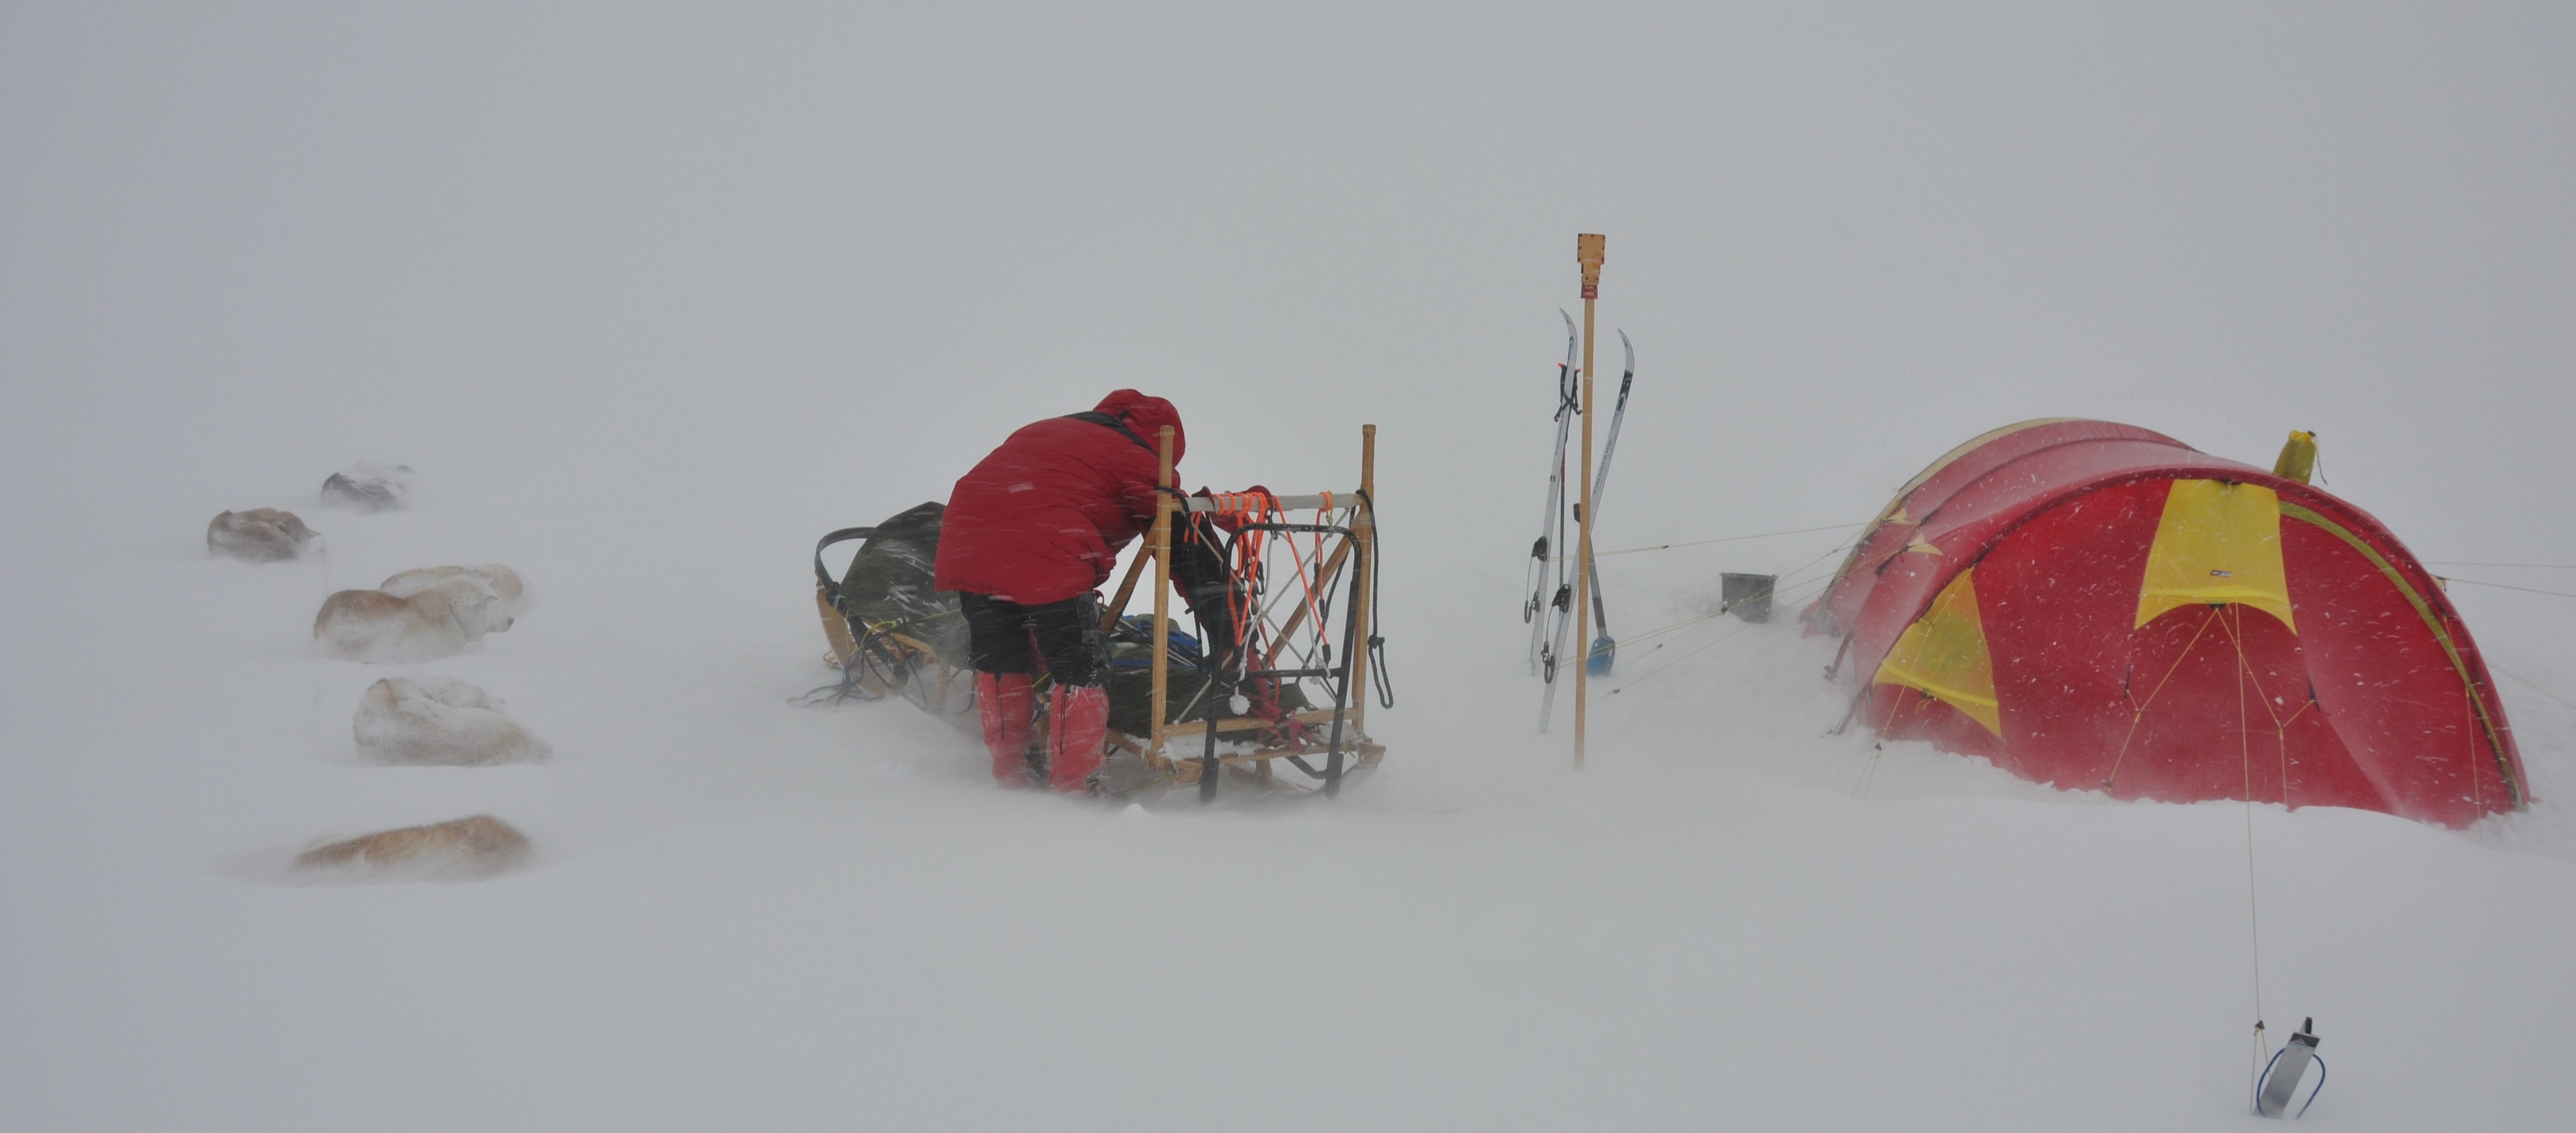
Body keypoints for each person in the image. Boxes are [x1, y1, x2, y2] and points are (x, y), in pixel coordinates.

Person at [933, 390, 1231, 792]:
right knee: (1081, 669)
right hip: (1046, 552)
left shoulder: (1048, 431)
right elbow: (1187, 553)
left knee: (1002, 660)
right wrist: (1227, 629)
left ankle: (1012, 771)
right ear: (1167, 445)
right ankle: (1077, 786)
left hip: (966, 541)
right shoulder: (1140, 459)